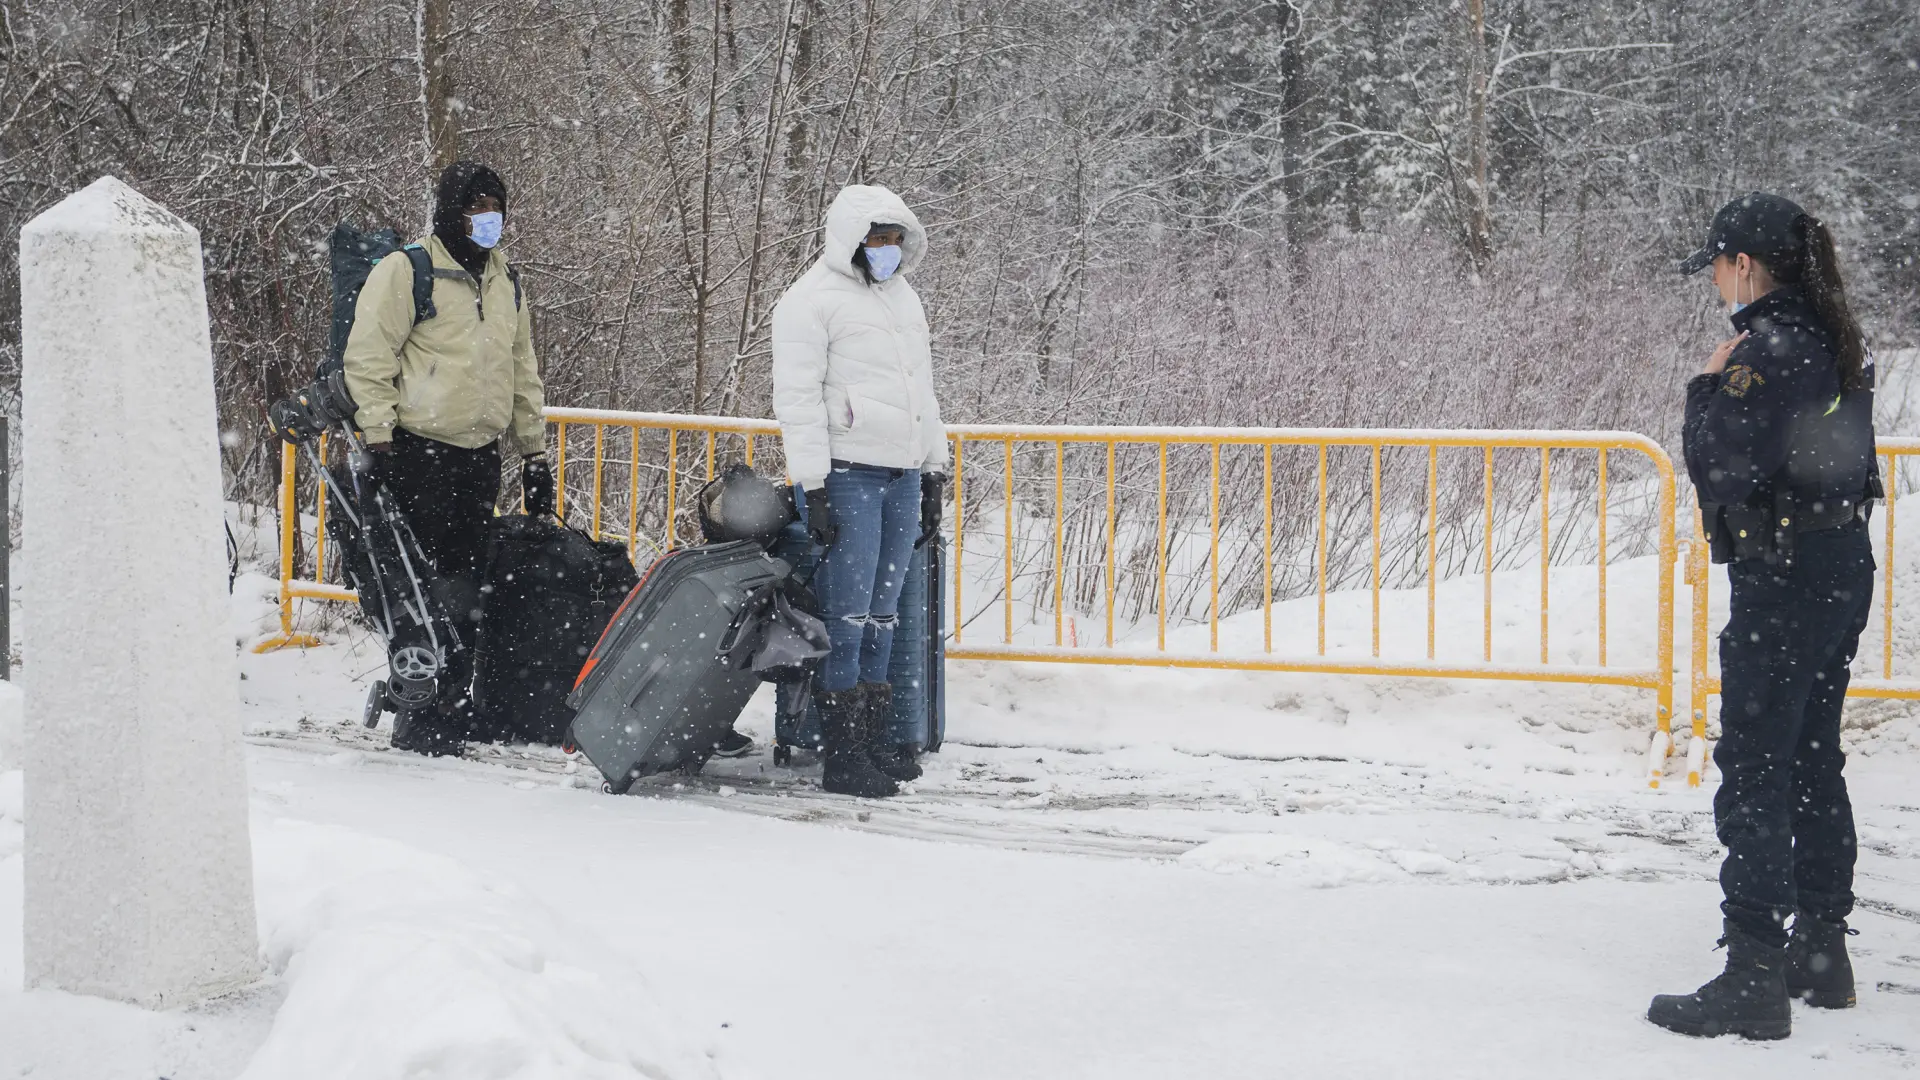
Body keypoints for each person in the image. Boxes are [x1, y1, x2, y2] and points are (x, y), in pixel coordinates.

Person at [1650, 193, 1879, 1039]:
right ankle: (1821, 951)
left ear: (1743, 264)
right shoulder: (1831, 338)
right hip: (1838, 564)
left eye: (1715, 265)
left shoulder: (1765, 348)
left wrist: (1706, 386)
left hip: (1782, 577)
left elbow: (1722, 468)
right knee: (1813, 753)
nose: (1713, 280)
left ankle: (1752, 969)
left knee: (1753, 760)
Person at [342, 160, 551, 756]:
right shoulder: (409, 273)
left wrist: (532, 451)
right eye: (476, 206)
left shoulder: (507, 281)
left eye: (496, 206)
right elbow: (369, 357)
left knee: (464, 586)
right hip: (415, 452)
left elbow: (521, 370)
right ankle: (417, 710)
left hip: (477, 458)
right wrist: (378, 437)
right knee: (417, 589)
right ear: (450, 212)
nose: (488, 219)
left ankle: (453, 710)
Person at [771, 183, 947, 798]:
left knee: (883, 613)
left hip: (901, 474)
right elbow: (796, 402)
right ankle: (842, 755)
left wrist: (934, 470)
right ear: (852, 239)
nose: (888, 251)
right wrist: (812, 486)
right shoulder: (810, 302)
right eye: (877, 239)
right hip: (847, 474)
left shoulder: (904, 300)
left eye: (896, 240)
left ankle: (872, 741)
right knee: (844, 618)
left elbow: (921, 391)